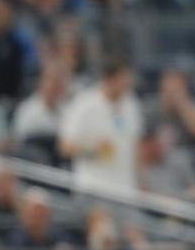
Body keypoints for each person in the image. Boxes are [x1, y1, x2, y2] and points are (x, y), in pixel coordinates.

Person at [58, 57, 144, 195]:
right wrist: (93, 149)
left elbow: (136, 147)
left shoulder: (131, 104)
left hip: (126, 191)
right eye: (123, 79)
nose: (127, 83)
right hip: (93, 188)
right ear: (109, 79)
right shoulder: (83, 104)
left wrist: (140, 183)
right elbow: (64, 147)